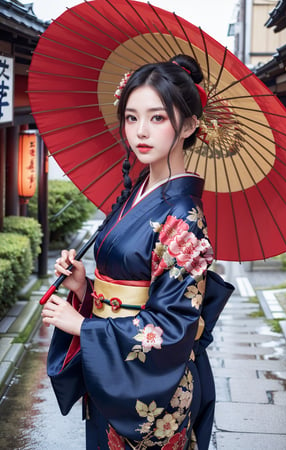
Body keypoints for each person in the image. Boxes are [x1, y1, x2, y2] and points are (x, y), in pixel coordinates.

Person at [41, 54, 234, 450]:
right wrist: (85, 289)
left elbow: (173, 327)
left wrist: (83, 328)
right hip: (116, 369)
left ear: (191, 125)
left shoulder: (183, 217)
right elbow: (130, 288)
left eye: (158, 118)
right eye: (131, 117)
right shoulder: (142, 188)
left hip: (153, 395)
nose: (140, 131)